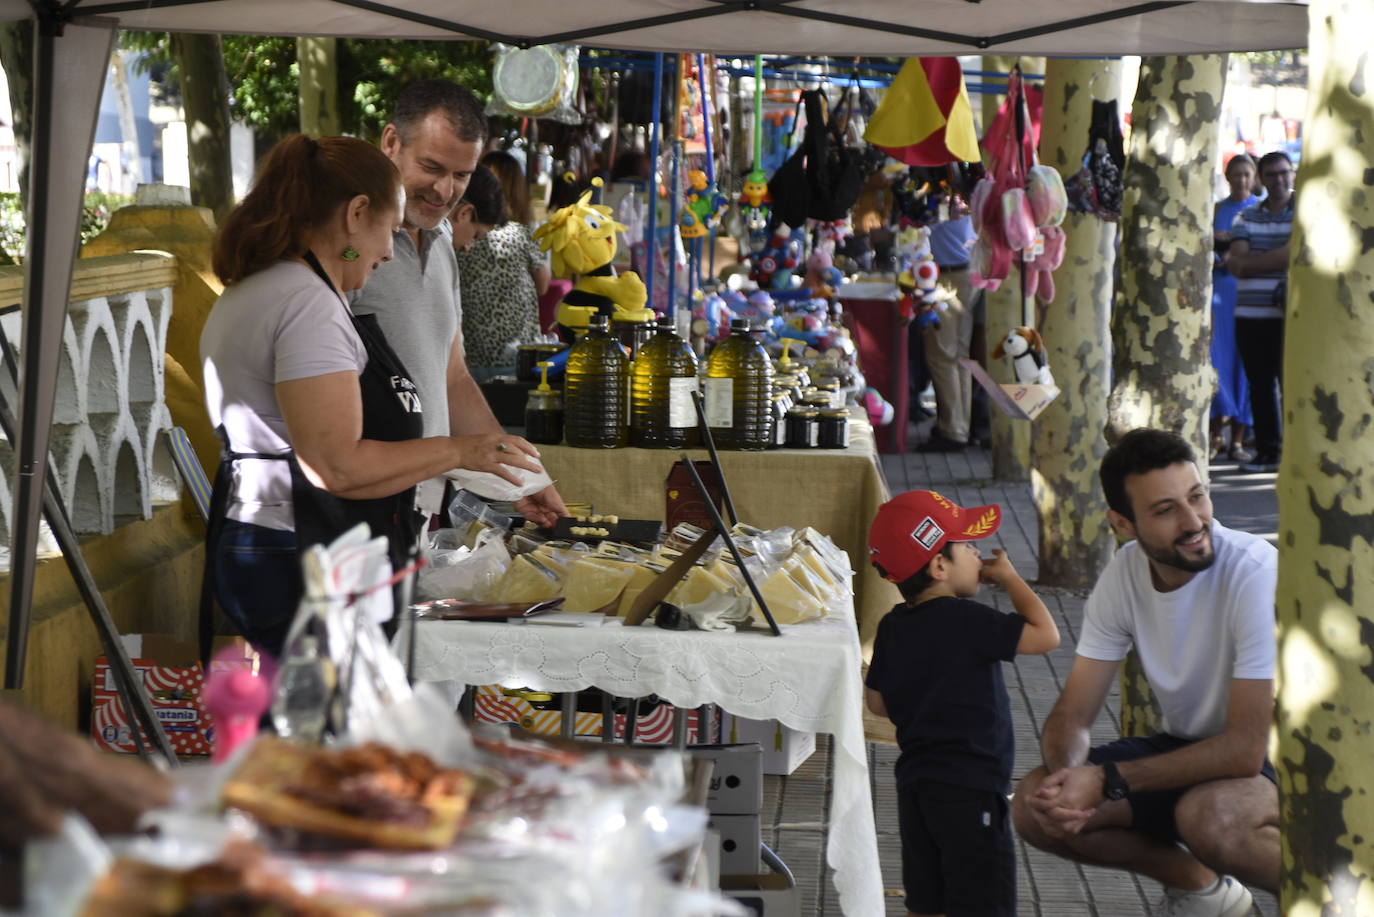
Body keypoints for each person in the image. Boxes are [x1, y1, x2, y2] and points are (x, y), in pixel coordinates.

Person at [200, 134, 543, 657]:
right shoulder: (306, 304)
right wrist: (460, 451)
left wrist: (497, 466)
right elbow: (336, 466)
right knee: (325, 730)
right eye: (389, 227)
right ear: (357, 214)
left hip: (278, 543)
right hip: (300, 554)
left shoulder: (270, 288)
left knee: (308, 730)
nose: (387, 250)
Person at [1011, 429, 1278, 917]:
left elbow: (1245, 750)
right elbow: (1073, 713)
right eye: (1165, 510)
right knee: (1033, 805)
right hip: (1192, 748)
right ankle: (1205, 893)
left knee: (1211, 819)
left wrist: (1109, 778)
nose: (1195, 521)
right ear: (1123, 523)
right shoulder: (1124, 573)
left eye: (1197, 496)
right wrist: (1071, 778)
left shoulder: (1254, 571)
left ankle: (1337, 902)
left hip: (1283, 764)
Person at [349, 79, 566, 525]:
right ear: (391, 142)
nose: (445, 192)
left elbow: (453, 376)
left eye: (462, 175)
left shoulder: (444, 235)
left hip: (420, 508)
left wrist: (522, 478)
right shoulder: (347, 237)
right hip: (354, 509)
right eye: (431, 167)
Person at [866, 490, 1060, 917]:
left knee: (928, 899)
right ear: (939, 566)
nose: (978, 552)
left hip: (915, 786)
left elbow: (877, 703)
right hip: (972, 789)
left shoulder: (892, 626)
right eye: (968, 545)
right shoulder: (970, 621)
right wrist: (1010, 579)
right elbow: (1047, 635)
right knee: (982, 899)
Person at [1226, 151, 1294, 474]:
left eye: (1284, 173)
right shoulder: (1246, 218)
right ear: (1261, 179)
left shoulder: (1305, 215)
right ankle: (1269, 452)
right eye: (1271, 175)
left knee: (1291, 385)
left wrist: (1256, 260)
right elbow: (1236, 265)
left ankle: (1293, 454)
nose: (1278, 180)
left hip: (1291, 317)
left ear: (1292, 174)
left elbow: (1246, 261)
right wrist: (1281, 256)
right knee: (1260, 386)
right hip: (1249, 316)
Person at [456, 153, 552, 378]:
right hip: (516, 352)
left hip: (471, 353)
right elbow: (543, 285)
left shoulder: (454, 236)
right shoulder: (520, 234)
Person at [1209, 154, 1258, 464]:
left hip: (1249, 295)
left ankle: (1238, 439)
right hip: (1219, 297)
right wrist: (1215, 247)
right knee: (1217, 365)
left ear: (1253, 177)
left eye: (1246, 174)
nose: (1241, 180)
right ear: (1227, 177)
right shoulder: (1216, 210)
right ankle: (1215, 434)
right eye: (1235, 174)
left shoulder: (1258, 211)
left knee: (1246, 368)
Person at [916, 208, 978, 452]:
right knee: (959, 356)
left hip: (947, 278)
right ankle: (960, 426)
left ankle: (953, 430)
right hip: (967, 271)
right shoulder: (966, 186)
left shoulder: (945, 193)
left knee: (942, 355)